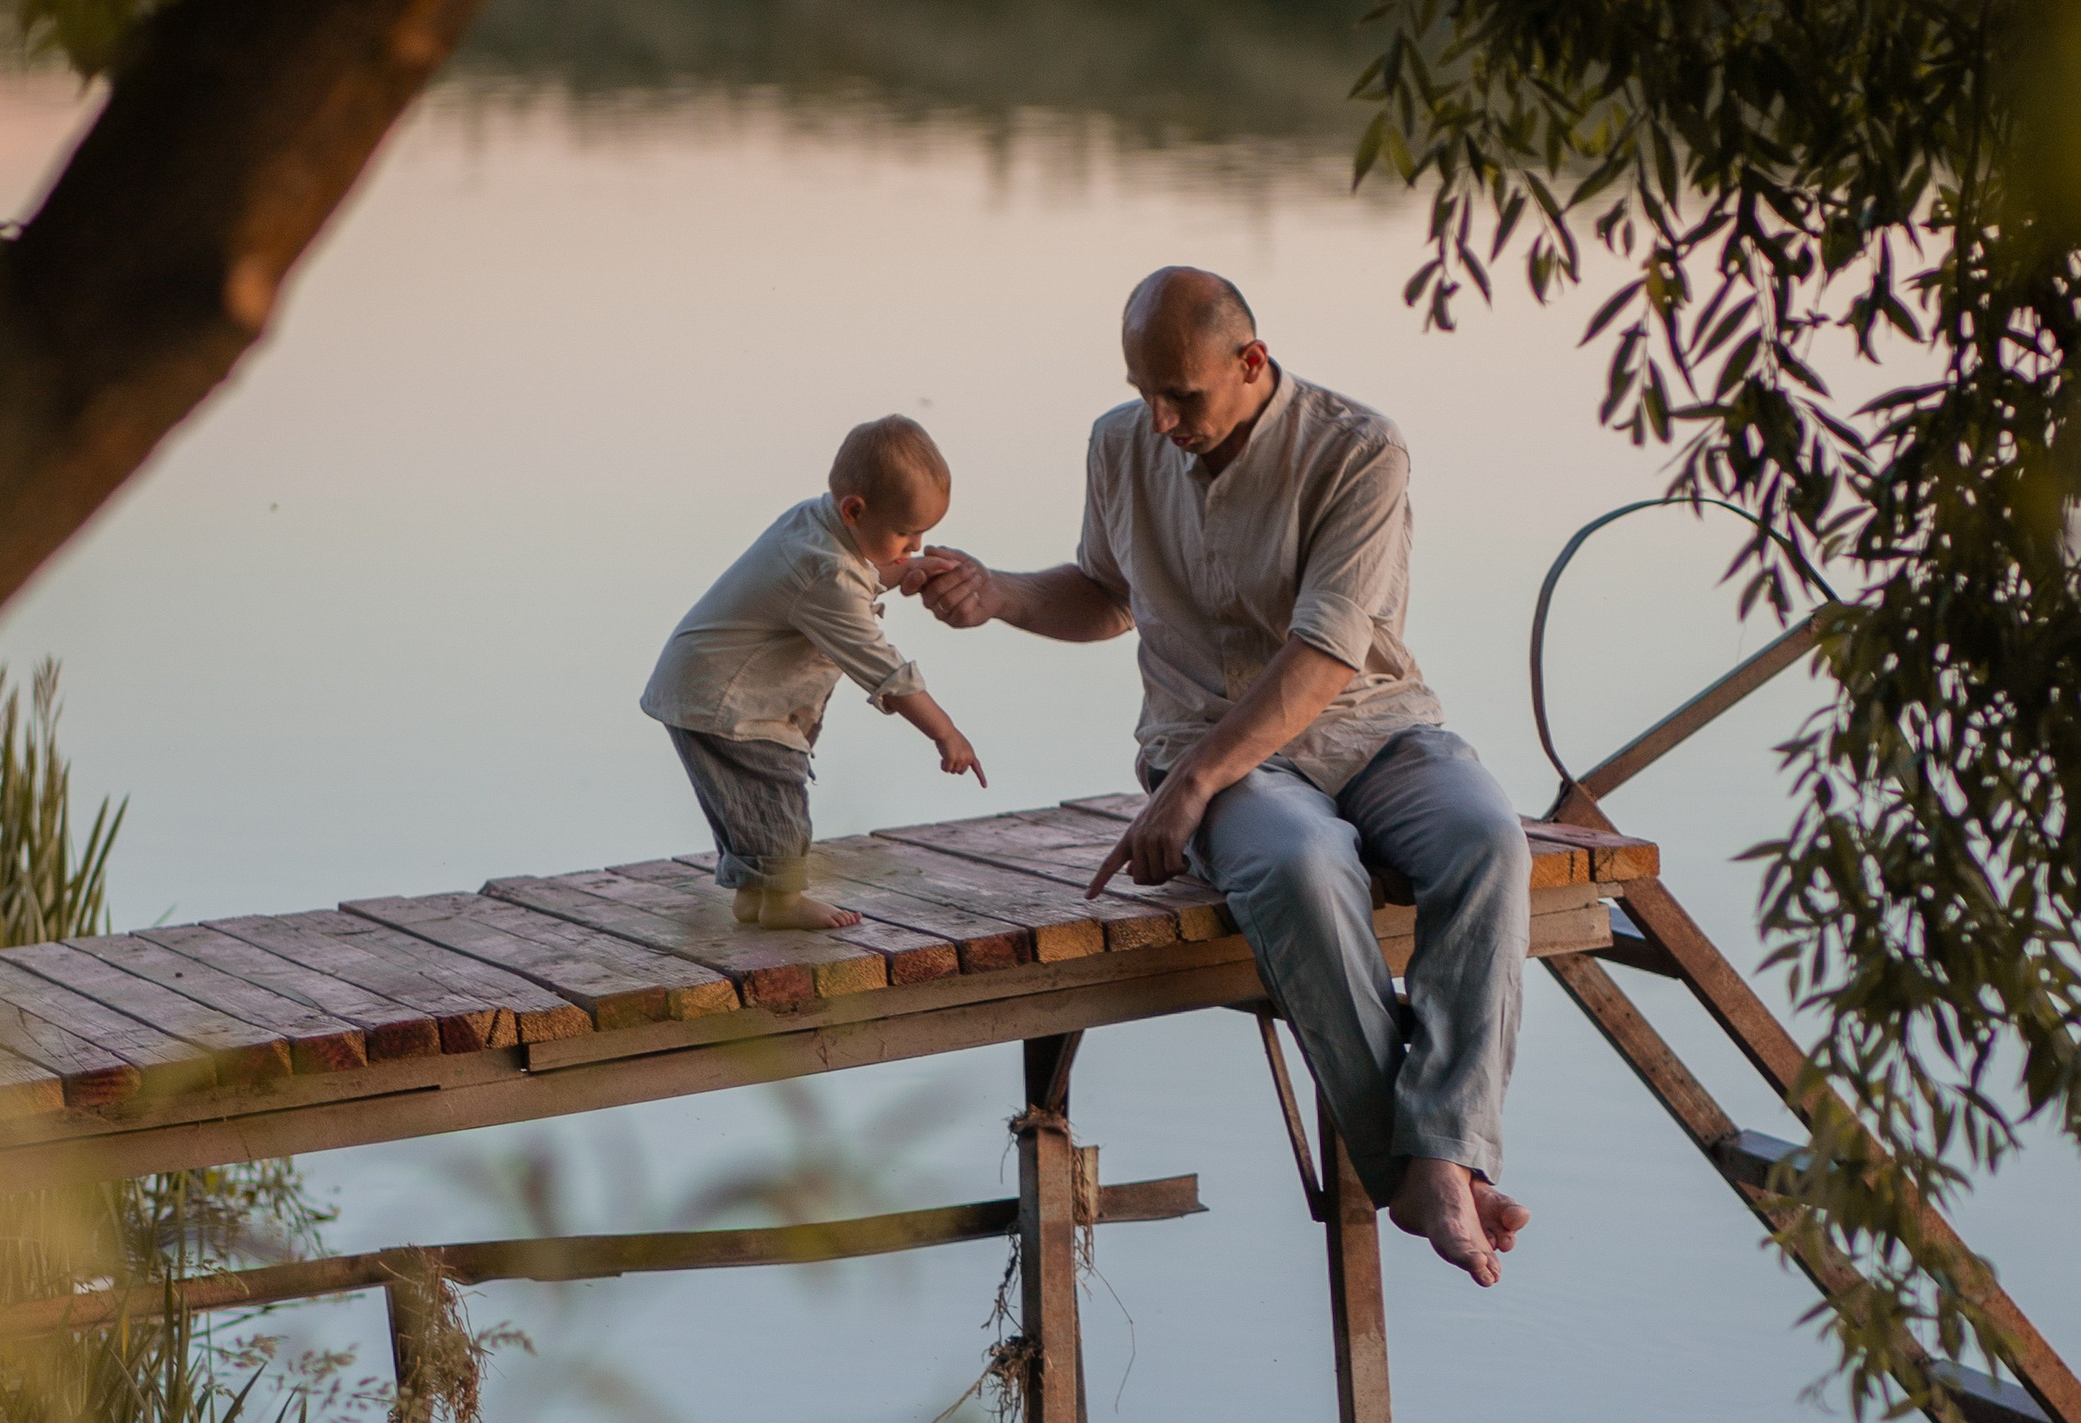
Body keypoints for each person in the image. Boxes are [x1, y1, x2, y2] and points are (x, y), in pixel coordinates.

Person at [901, 269, 1532, 1286]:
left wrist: (1188, 785)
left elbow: (1327, 654)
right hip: (1209, 738)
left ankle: (1441, 1151)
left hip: (1369, 723)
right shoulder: (1120, 442)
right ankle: (1428, 1173)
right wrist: (999, 595)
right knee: (1300, 861)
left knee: (1488, 840)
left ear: (1251, 362)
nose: (1160, 418)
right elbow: (1107, 595)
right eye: (1143, 389)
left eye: (1182, 396)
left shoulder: (1359, 446)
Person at [640, 414, 983, 934]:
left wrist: (900, 572)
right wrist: (946, 732)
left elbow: (853, 578)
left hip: (703, 689)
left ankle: (757, 897)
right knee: (775, 788)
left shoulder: (814, 524)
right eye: (905, 532)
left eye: (922, 535)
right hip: (730, 702)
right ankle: (781, 900)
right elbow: (885, 670)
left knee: (748, 801)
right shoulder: (825, 571)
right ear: (854, 509)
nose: (914, 545)